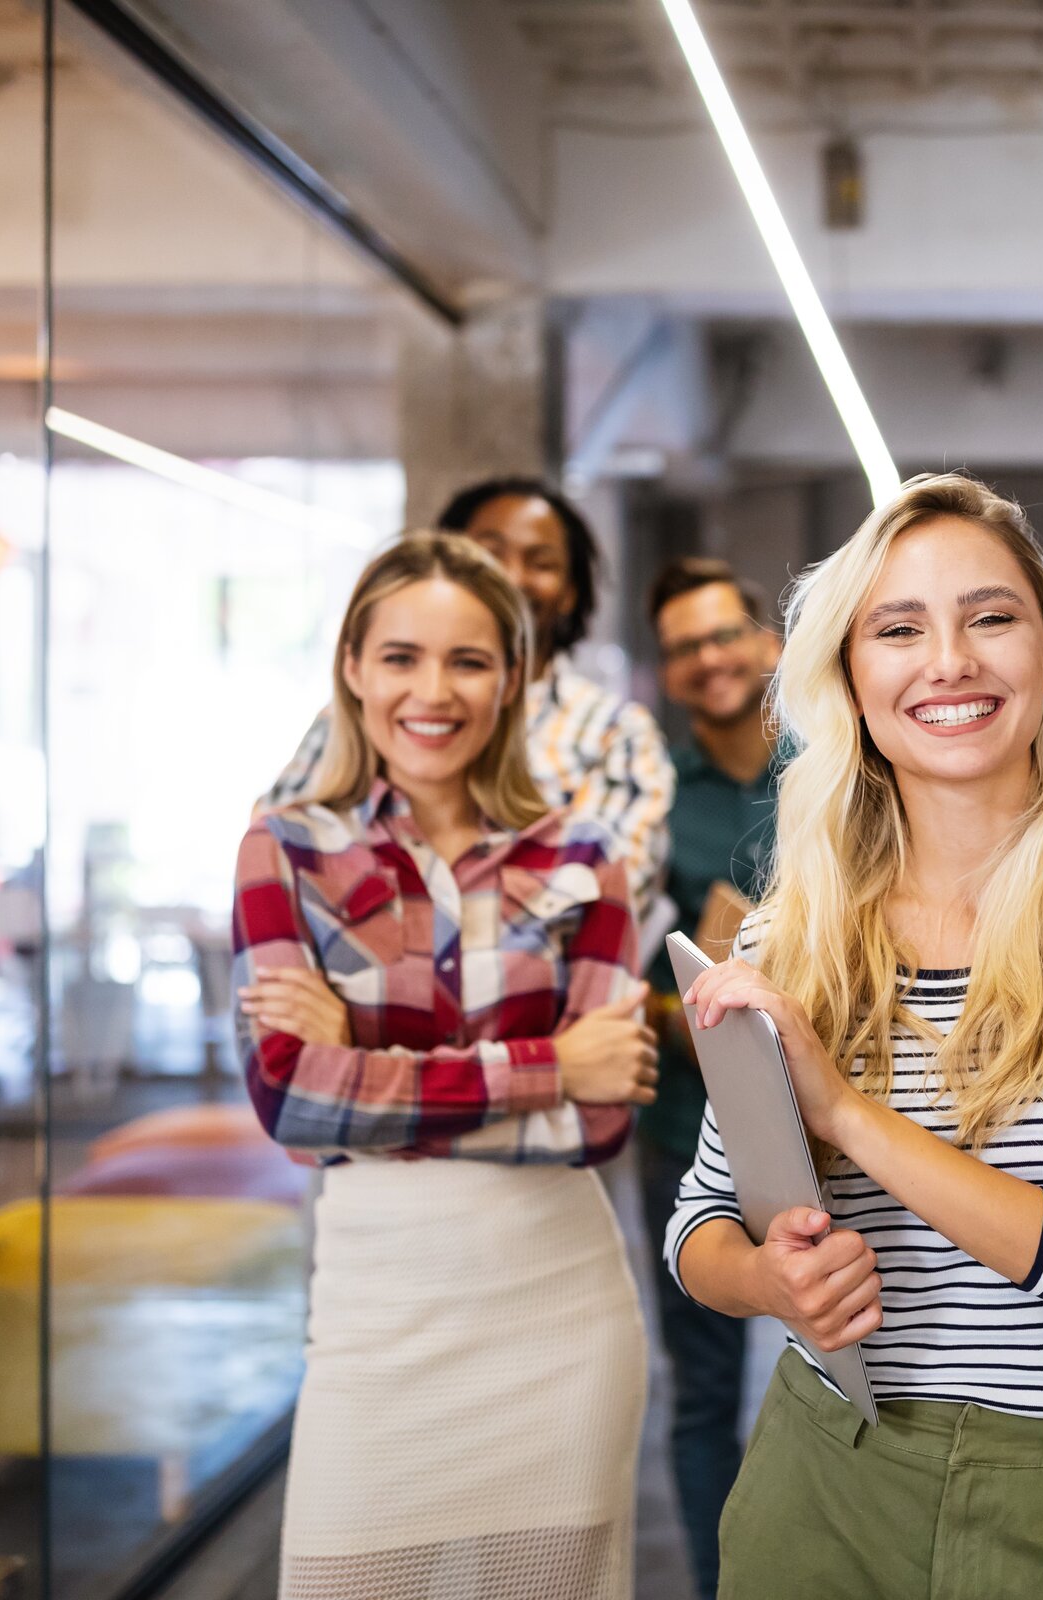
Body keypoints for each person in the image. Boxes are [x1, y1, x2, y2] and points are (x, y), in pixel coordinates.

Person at [664, 474, 1043, 1600]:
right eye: (898, 629)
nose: (949, 661)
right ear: (852, 678)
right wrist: (771, 1284)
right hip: (821, 1480)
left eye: (990, 617)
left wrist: (843, 1114)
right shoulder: (792, 936)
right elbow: (699, 1226)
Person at [233, 534, 662, 1599]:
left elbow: (603, 1118)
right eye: (401, 657)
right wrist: (551, 1063)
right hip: (375, 1328)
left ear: (511, 678)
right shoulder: (286, 847)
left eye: (468, 661)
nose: (433, 692)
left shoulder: (584, 858)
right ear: (353, 668)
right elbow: (292, 1100)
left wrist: (363, 1062)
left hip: (559, 1322)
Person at [267, 476, 674, 923]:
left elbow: (603, 906)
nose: (511, 576)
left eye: (541, 562)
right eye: (490, 552)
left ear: (570, 592)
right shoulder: (366, 711)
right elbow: (278, 870)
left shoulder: (615, 732)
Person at [641, 556, 786, 1600]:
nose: (709, 659)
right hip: (688, 1127)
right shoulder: (651, 803)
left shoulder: (846, 770)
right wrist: (685, 1004)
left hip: (843, 1119)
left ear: (768, 642)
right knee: (702, 1395)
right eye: (684, 647)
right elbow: (616, 983)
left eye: (724, 633)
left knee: (865, 1361)